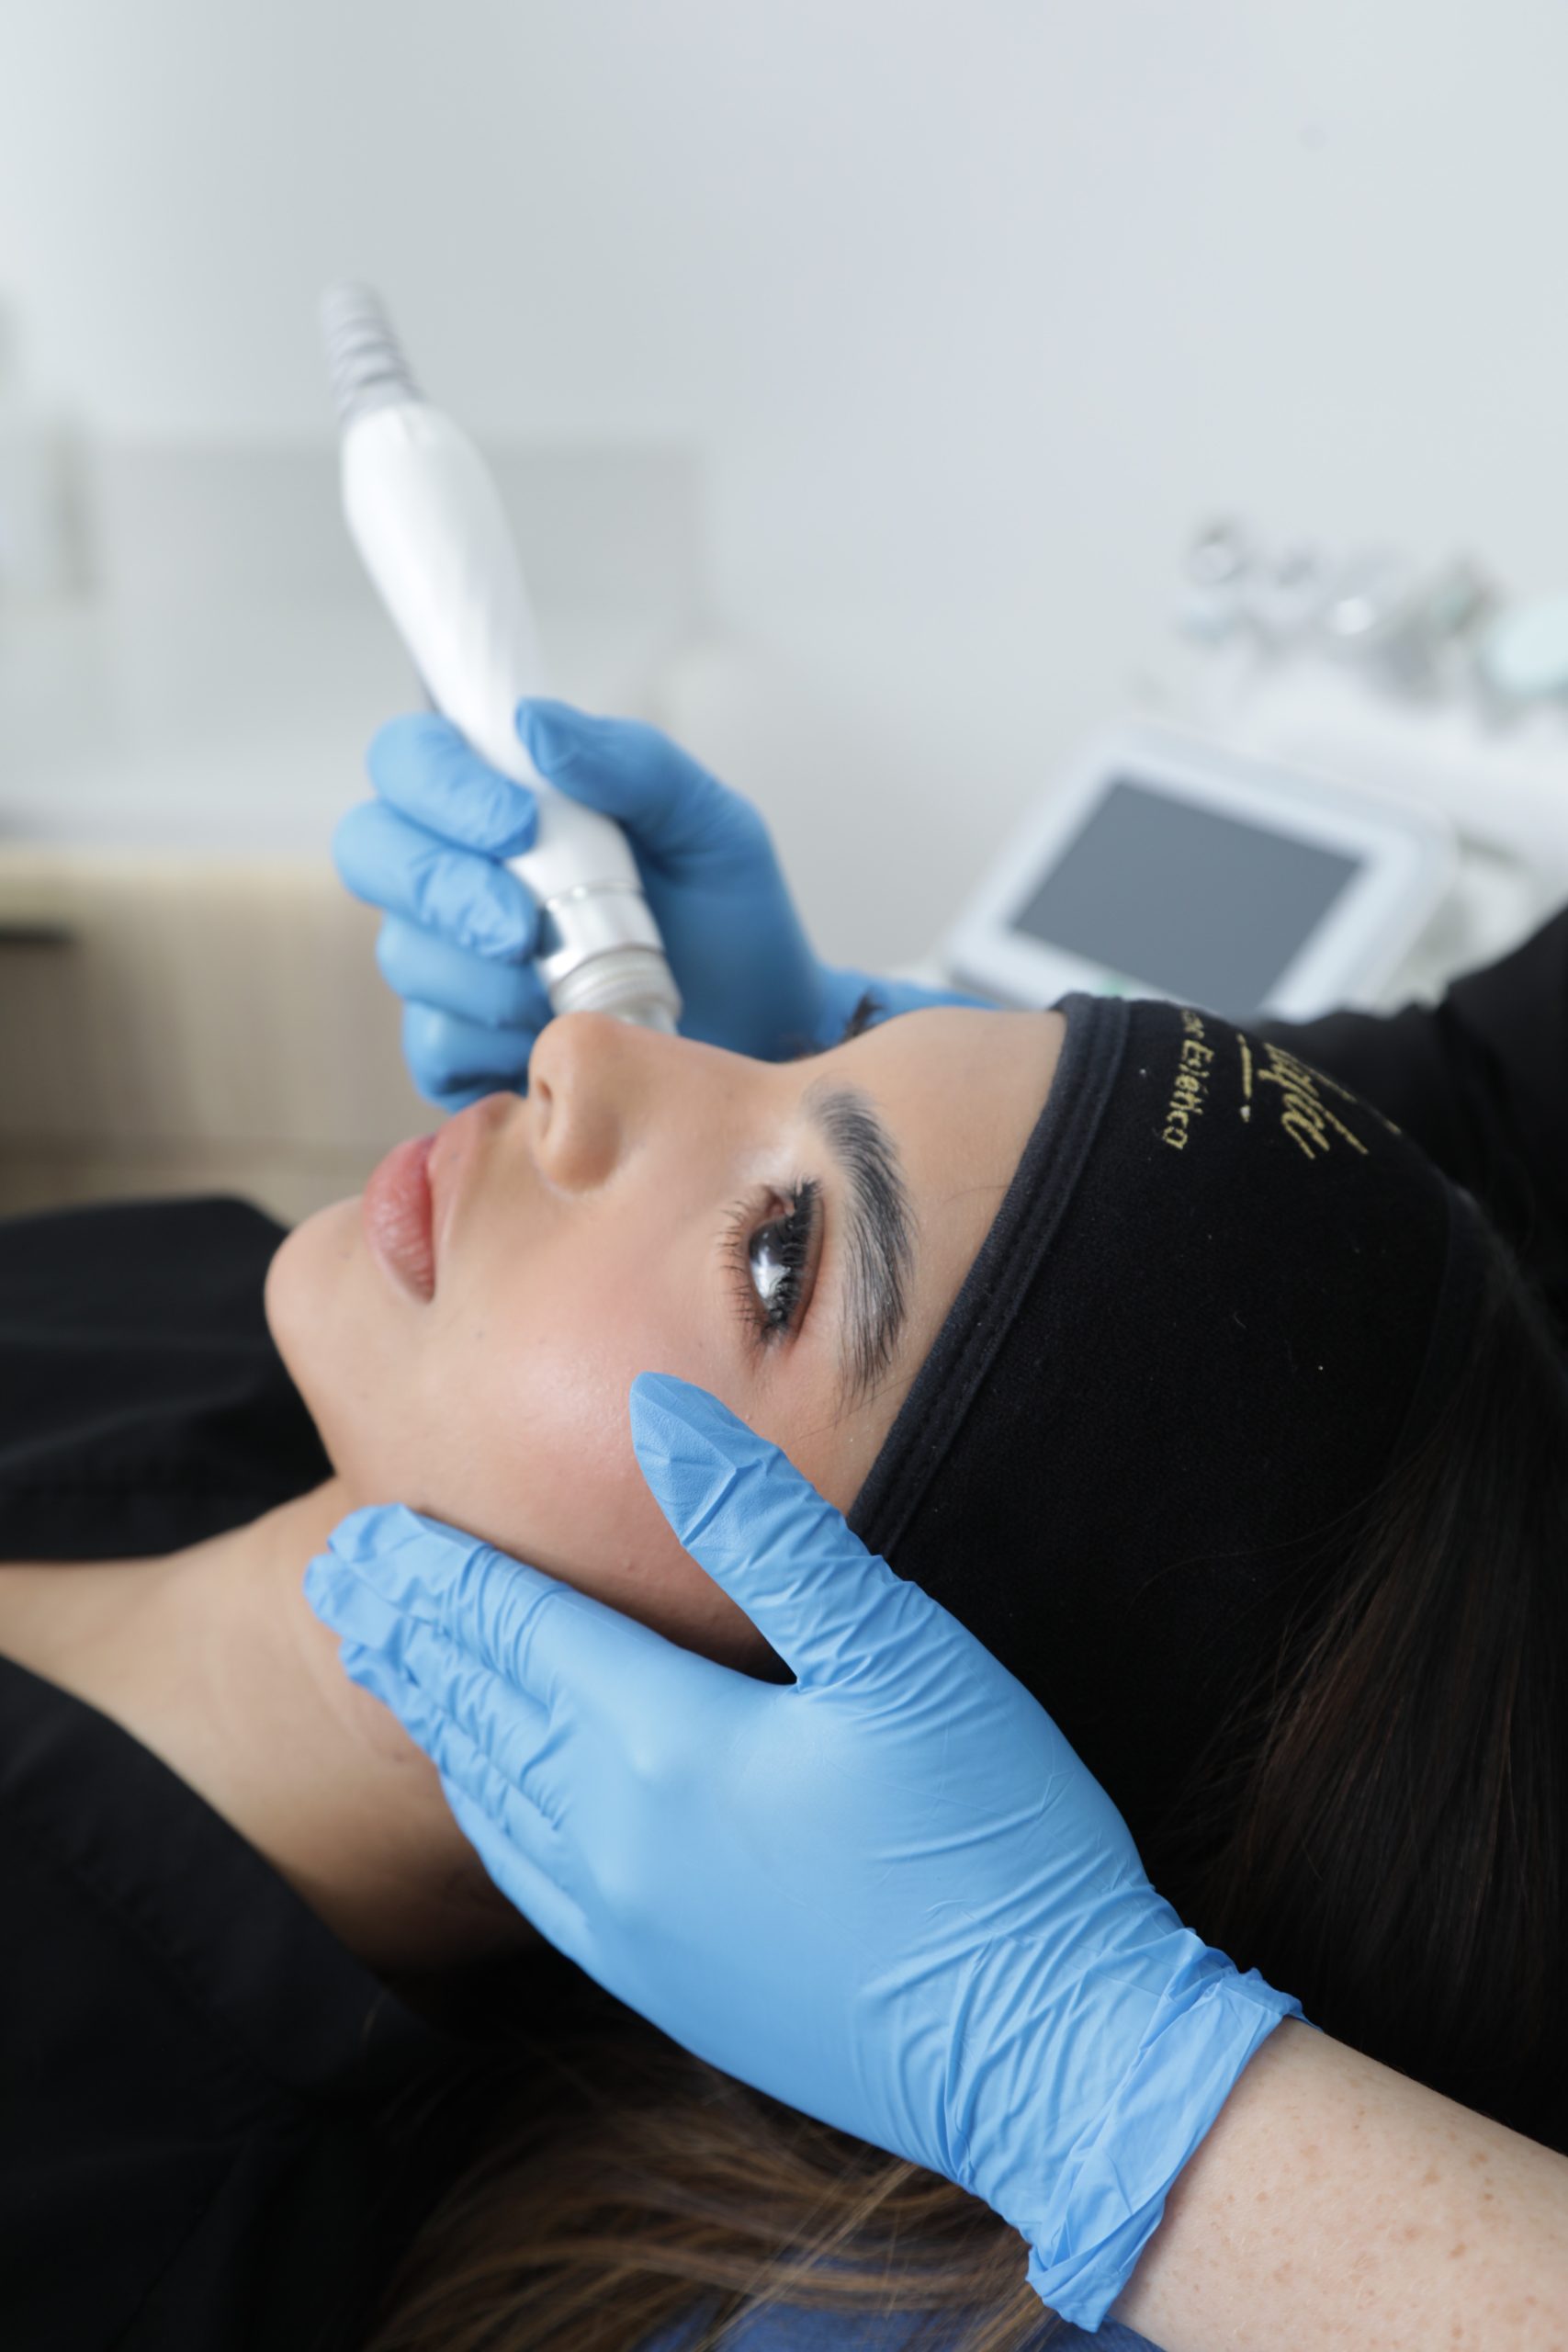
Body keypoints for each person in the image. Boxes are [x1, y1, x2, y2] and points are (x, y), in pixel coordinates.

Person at [0, 698, 1560, 2350]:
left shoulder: (100, 2229)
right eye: (818, 1046)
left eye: (775, 1259)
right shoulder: (183, 1304)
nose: (584, 1053)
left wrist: (1091, 2070)